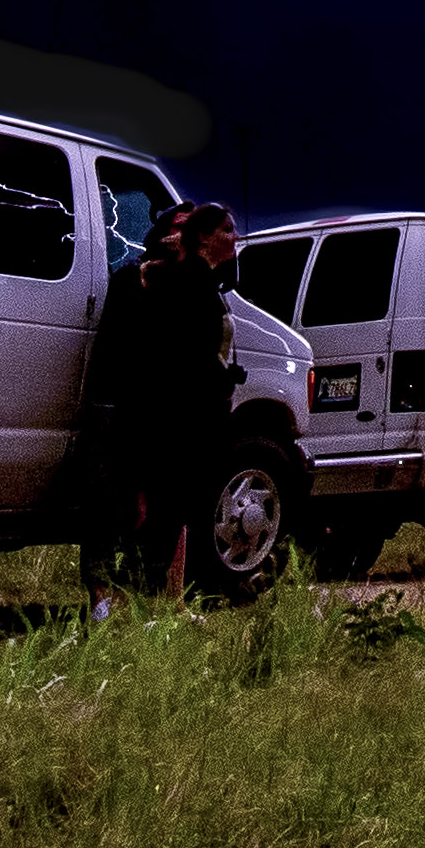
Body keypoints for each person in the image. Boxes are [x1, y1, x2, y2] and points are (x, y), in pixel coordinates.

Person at [80, 200, 244, 612]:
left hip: (172, 414)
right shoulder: (150, 282)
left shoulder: (192, 281)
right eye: (180, 227)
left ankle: (164, 600)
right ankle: (110, 598)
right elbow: (165, 357)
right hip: (139, 410)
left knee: (170, 512)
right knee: (128, 508)